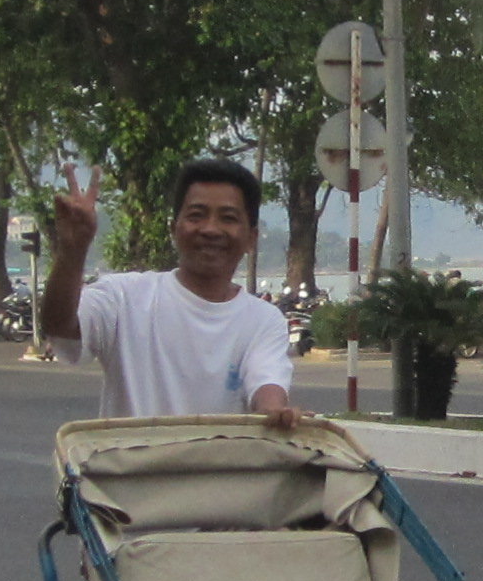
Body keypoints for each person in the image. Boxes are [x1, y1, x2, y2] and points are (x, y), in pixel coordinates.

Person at [38, 157, 303, 430]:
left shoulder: (264, 319)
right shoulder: (123, 296)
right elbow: (60, 326)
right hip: (128, 470)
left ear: (251, 238)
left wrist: (274, 412)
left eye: (228, 218)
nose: (210, 229)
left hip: (220, 470)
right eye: (196, 215)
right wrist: (72, 250)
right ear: (173, 229)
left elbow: (266, 384)